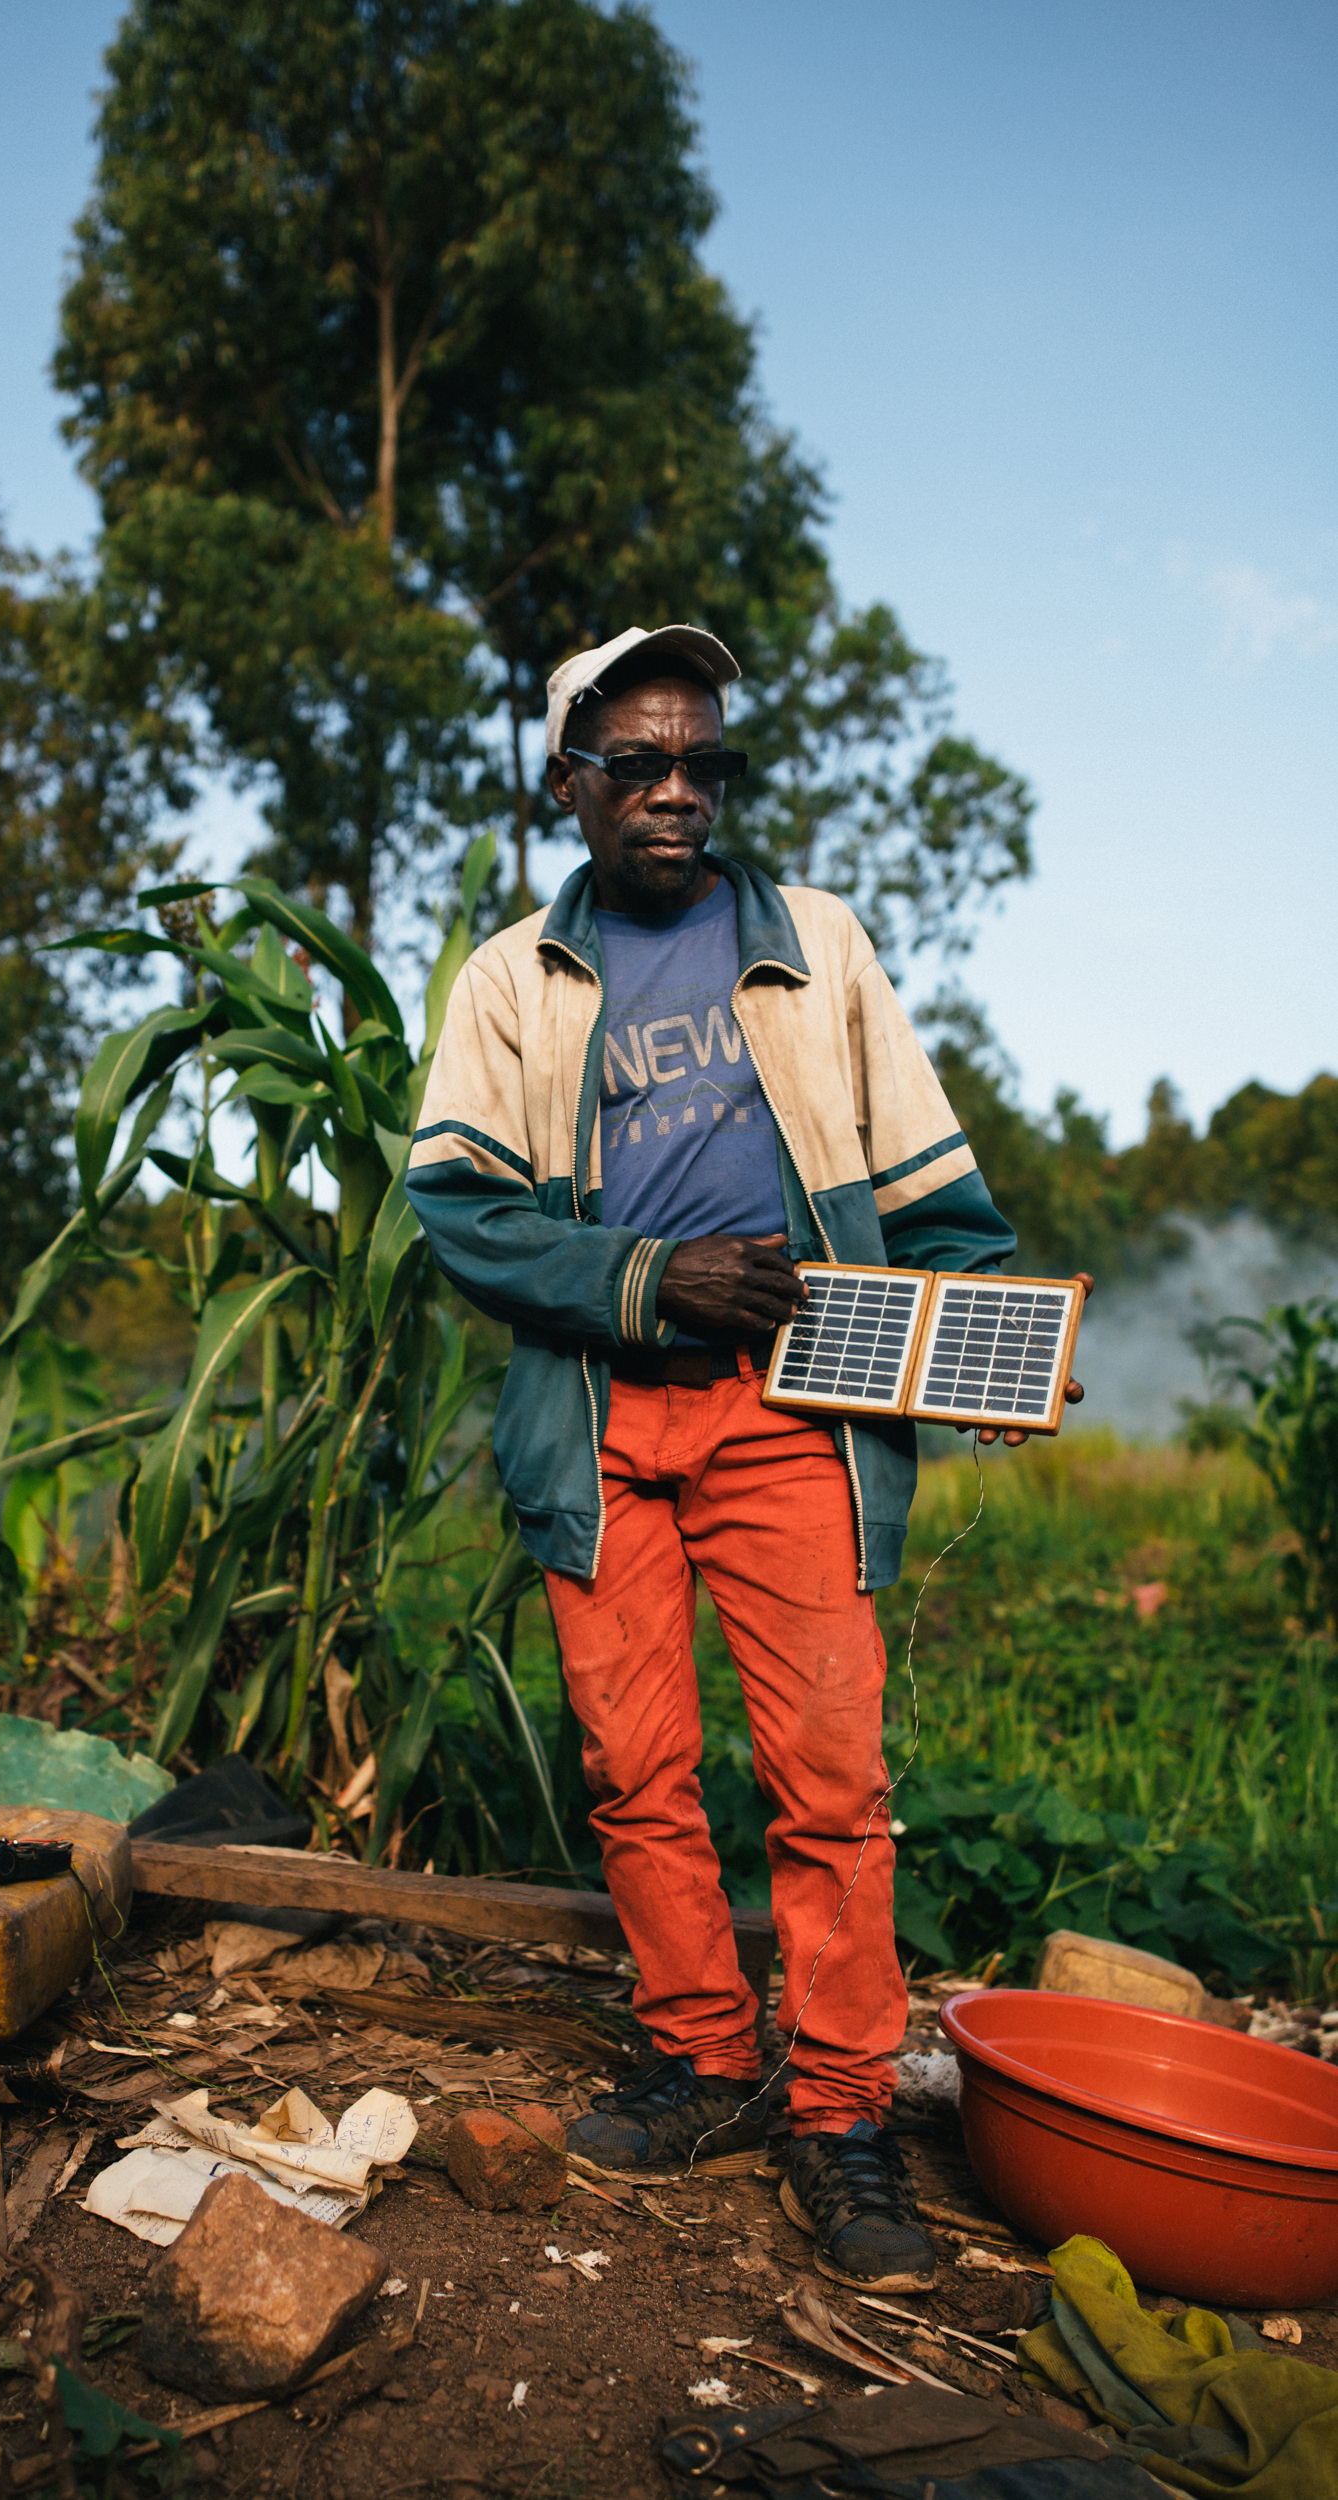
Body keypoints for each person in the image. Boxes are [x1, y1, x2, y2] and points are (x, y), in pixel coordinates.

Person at [406, 623, 1084, 2294]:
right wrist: (653, 1279)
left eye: (700, 762)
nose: (675, 792)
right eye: (635, 763)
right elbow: (462, 1213)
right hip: (600, 1421)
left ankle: (841, 2114)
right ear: (565, 784)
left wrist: (982, 1342)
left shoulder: (812, 945)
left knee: (829, 1782)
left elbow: (928, 1188)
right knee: (636, 1769)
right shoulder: (511, 982)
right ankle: (702, 2059)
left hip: (790, 1410)